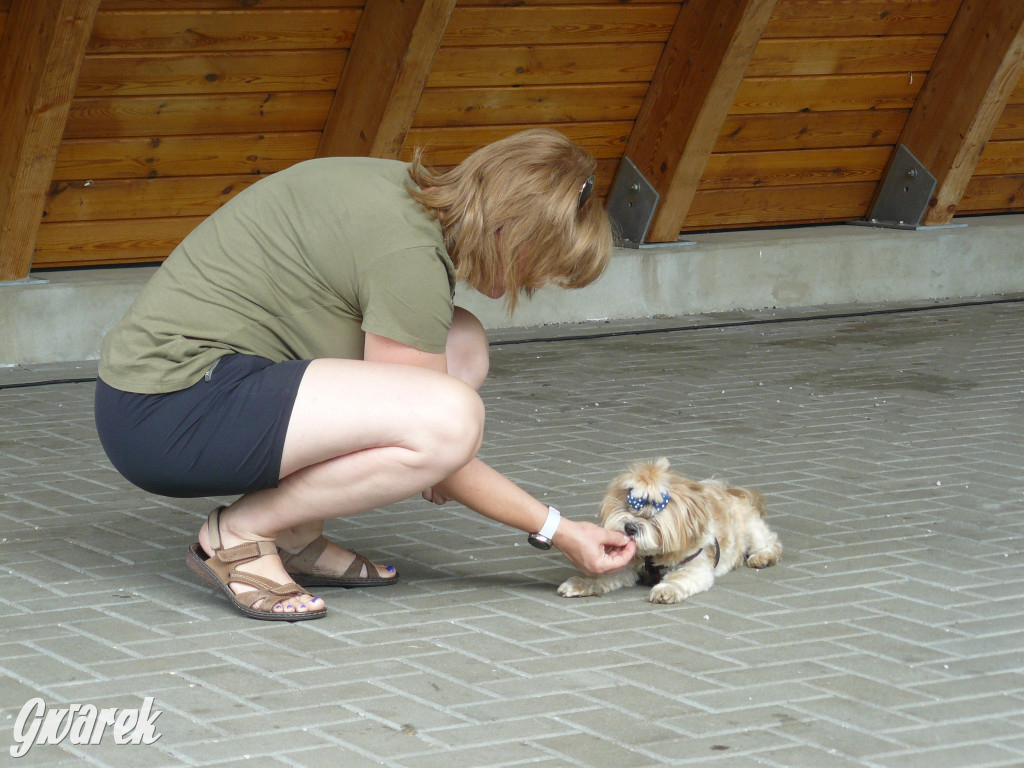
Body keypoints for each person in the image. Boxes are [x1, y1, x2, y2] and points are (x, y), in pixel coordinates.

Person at [94, 128, 636, 621]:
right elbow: (438, 438)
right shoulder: (409, 257)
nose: (536, 285)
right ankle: (239, 534)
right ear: (511, 232)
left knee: (461, 344)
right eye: (540, 265)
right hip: (167, 412)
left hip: (184, 391)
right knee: (450, 418)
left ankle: (296, 535)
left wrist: (439, 461)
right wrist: (559, 530)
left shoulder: (402, 196)